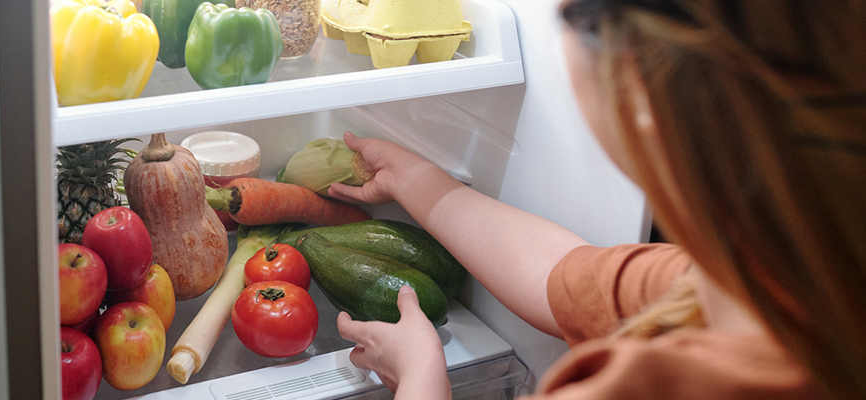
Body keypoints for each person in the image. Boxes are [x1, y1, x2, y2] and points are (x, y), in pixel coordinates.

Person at [326, 0, 866, 399]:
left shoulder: (642, 386)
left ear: (639, 87)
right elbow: (562, 275)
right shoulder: (762, 283)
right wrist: (418, 179)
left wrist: (422, 375)